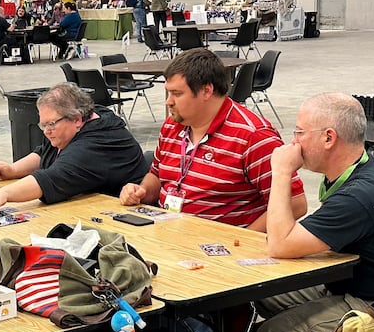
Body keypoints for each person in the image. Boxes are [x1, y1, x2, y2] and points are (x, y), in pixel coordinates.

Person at [118, 48, 307, 231]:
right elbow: (157, 175)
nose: (168, 101)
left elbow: (296, 204)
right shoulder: (172, 125)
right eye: (168, 93)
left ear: (206, 91)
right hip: (168, 236)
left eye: (177, 93)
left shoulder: (253, 136)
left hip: (220, 250)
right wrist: (140, 192)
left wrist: (245, 239)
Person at [254, 93, 374, 332]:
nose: (293, 142)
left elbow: (280, 244)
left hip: (371, 303)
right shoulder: (362, 169)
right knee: (261, 290)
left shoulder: (358, 196)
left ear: (328, 138)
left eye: (300, 132)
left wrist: (280, 172)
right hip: (348, 279)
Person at [0, 83, 147, 217]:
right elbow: (45, 152)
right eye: (43, 124)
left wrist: (5, 193)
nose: (47, 131)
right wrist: (14, 169)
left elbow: (50, 179)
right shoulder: (79, 122)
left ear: (77, 119)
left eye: (51, 124)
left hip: (126, 215)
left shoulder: (97, 142)